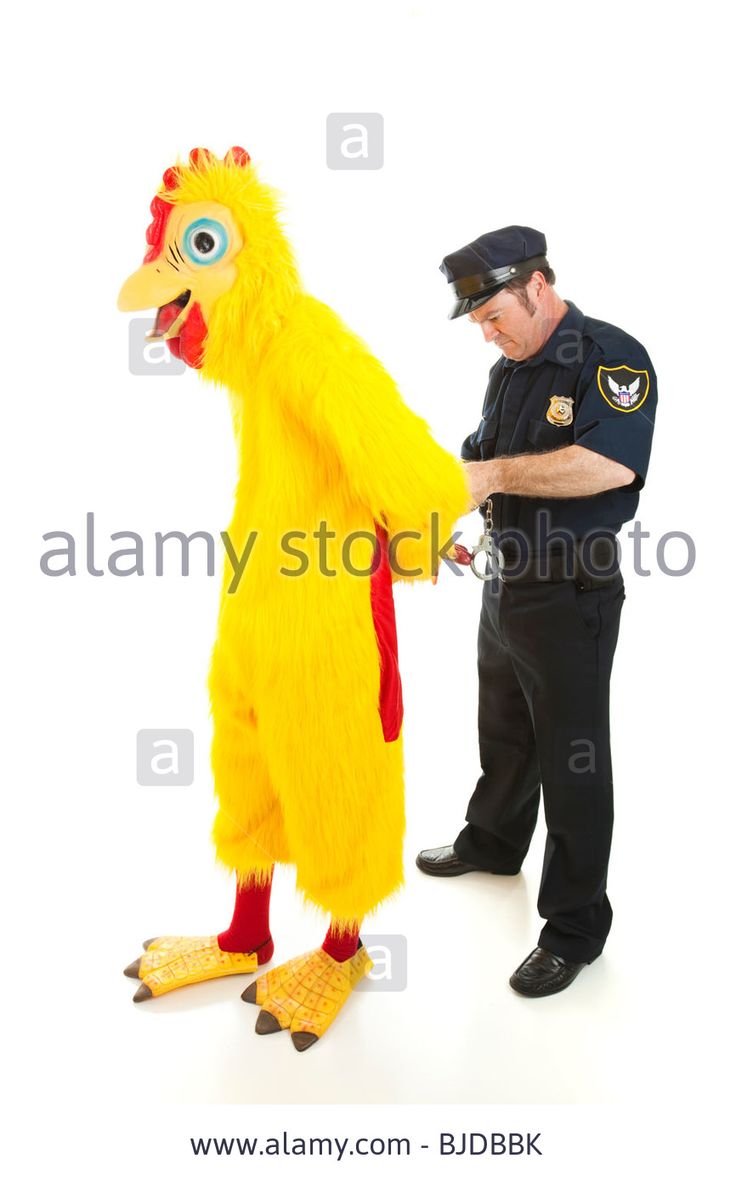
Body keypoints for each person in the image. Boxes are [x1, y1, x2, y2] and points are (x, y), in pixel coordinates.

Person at [417, 226, 657, 997]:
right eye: (478, 321)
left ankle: (576, 925)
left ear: (538, 286)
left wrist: (488, 476)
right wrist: (454, 515)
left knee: (573, 758)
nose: (487, 332)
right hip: (505, 578)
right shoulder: (507, 370)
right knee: (506, 728)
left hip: (570, 592)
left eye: (493, 315)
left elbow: (607, 462)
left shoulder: (610, 355)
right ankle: (491, 841)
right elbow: (479, 463)